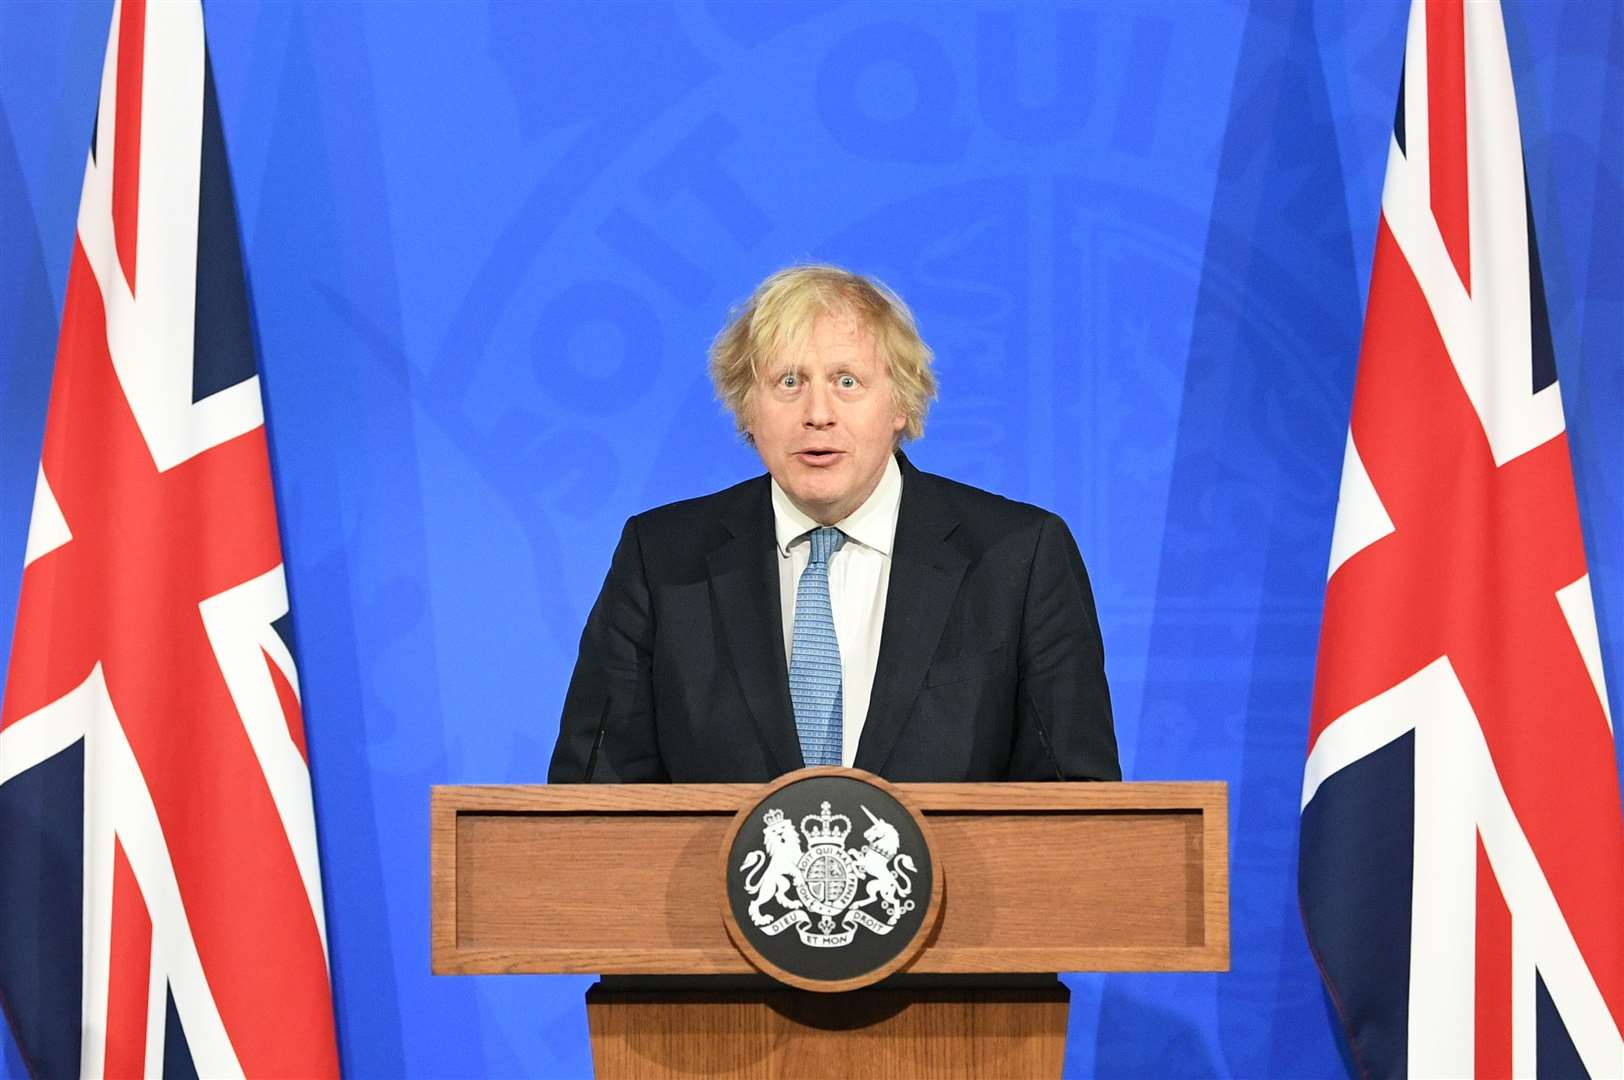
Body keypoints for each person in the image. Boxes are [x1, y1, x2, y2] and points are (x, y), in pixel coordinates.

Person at [548, 265, 1118, 783]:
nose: (817, 414)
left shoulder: (1018, 558)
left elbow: (1078, 804)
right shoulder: (662, 560)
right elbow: (591, 805)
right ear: (748, 408)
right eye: (788, 382)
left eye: (847, 381)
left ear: (901, 404)